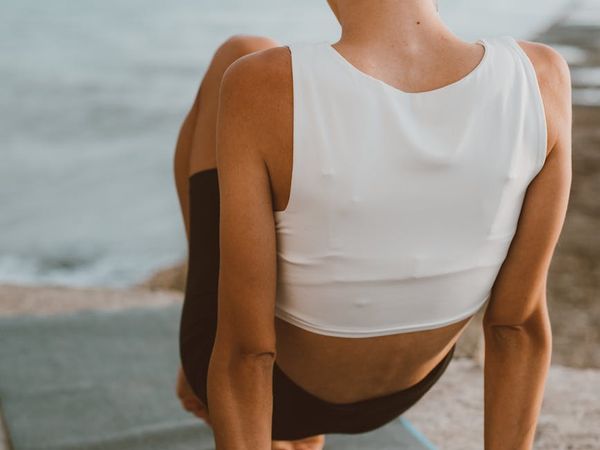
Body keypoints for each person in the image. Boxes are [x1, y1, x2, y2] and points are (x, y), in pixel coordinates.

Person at [174, 0, 572, 448]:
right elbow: (516, 327)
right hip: (406, 389)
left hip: (277, 397)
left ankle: (215, 321)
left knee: (240, 50)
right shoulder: (542, 75)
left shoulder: (260, 82)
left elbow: (247, 355)